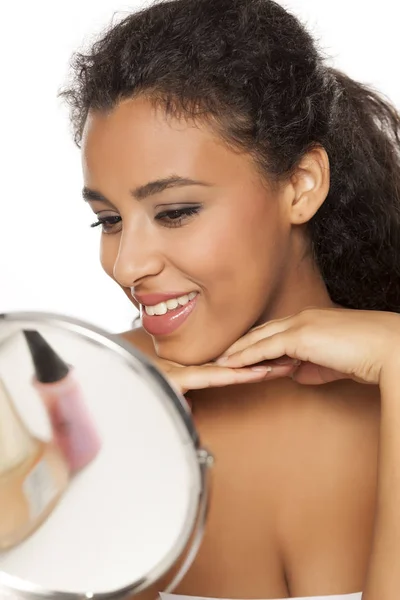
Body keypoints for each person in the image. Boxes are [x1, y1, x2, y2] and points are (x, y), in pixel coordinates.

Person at [60, 0, 400, 597]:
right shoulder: (75, 402)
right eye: (108, 220)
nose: (127, 263)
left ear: (301, 186)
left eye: (176, 211)